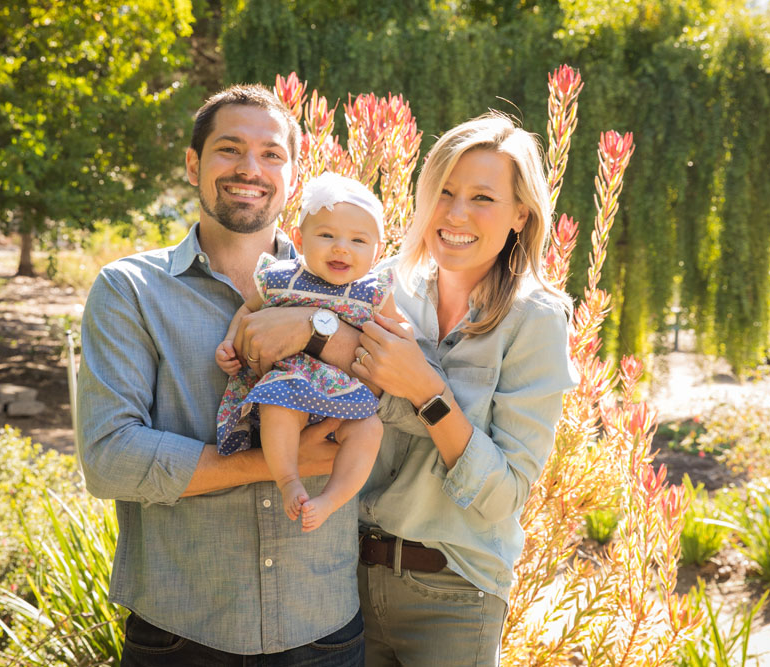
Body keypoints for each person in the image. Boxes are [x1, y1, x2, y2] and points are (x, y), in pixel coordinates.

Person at [77, 84, 367, 666]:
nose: (250, 169)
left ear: (293, 174)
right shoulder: (129, 291)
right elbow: (110, 458)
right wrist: (283, 463)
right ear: (193, 164)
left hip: (321, 626)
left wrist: (314, 330)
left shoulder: (351, 281)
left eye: (271, 154)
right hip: (182, 630)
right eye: (229, 149)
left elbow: (392, 393)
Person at [349, 112, 580, 666]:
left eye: (482, 198)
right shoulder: (382, 291)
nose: (454, 214)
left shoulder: (536, 320)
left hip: (453, 596)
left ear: (520, 215)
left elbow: (503, 498)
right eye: (445, 192)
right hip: (344, 583)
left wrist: (428, 392)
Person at [215, 172, 395, 532]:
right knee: (278, 407)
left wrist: (397, 338)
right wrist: (229, 340)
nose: (341, 247)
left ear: (379, 250)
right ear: (299, 238)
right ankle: (288, 481)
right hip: (292, 382)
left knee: (369, 429)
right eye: (327, 235)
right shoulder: (282, 277)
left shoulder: (374, 292)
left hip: (347, 392)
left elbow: (398, 336)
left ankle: (331, 498)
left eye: (358, 240)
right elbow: (249, 311)